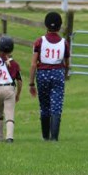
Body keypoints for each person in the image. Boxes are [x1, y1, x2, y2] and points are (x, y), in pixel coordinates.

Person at [28, 11, 70, 141]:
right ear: (59, 26)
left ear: (46, 25)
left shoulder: (39, 41)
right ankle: (54, 137)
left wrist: (31, 83)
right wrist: (64, 73)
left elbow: (34, 64)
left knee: (44, 105)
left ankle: (45, 136)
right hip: (58, 73)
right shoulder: (64, 43)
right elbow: (67, 63)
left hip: (43, 74)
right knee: (56, 105)